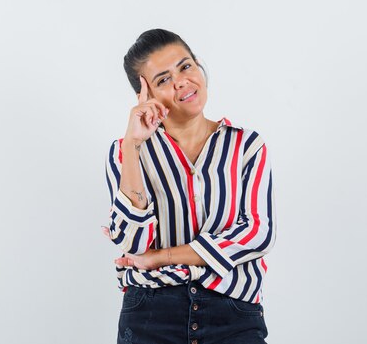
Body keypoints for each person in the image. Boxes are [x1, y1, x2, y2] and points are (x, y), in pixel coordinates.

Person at [104, 29, 276, 344]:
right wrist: (133, 146)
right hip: (151, 313)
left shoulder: (246, 146)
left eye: (185, 67)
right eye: (163, 79)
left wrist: (164, 256)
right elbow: (135, 244)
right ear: (146, 96)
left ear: (198, 66)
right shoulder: (123, 152)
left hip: (233, 310)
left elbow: (257, 234)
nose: (181, 81)